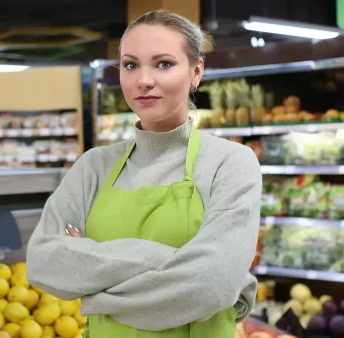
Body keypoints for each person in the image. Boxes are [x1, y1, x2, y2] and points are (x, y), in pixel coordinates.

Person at [26, 9, 262, 338]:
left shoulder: (231, 163)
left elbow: (210, 286)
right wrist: (176, 263)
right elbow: (43, 263)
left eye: (163, 63)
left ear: (196, 72)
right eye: (130, 64)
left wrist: (94, 283)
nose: (143, 80)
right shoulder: (92, 167)